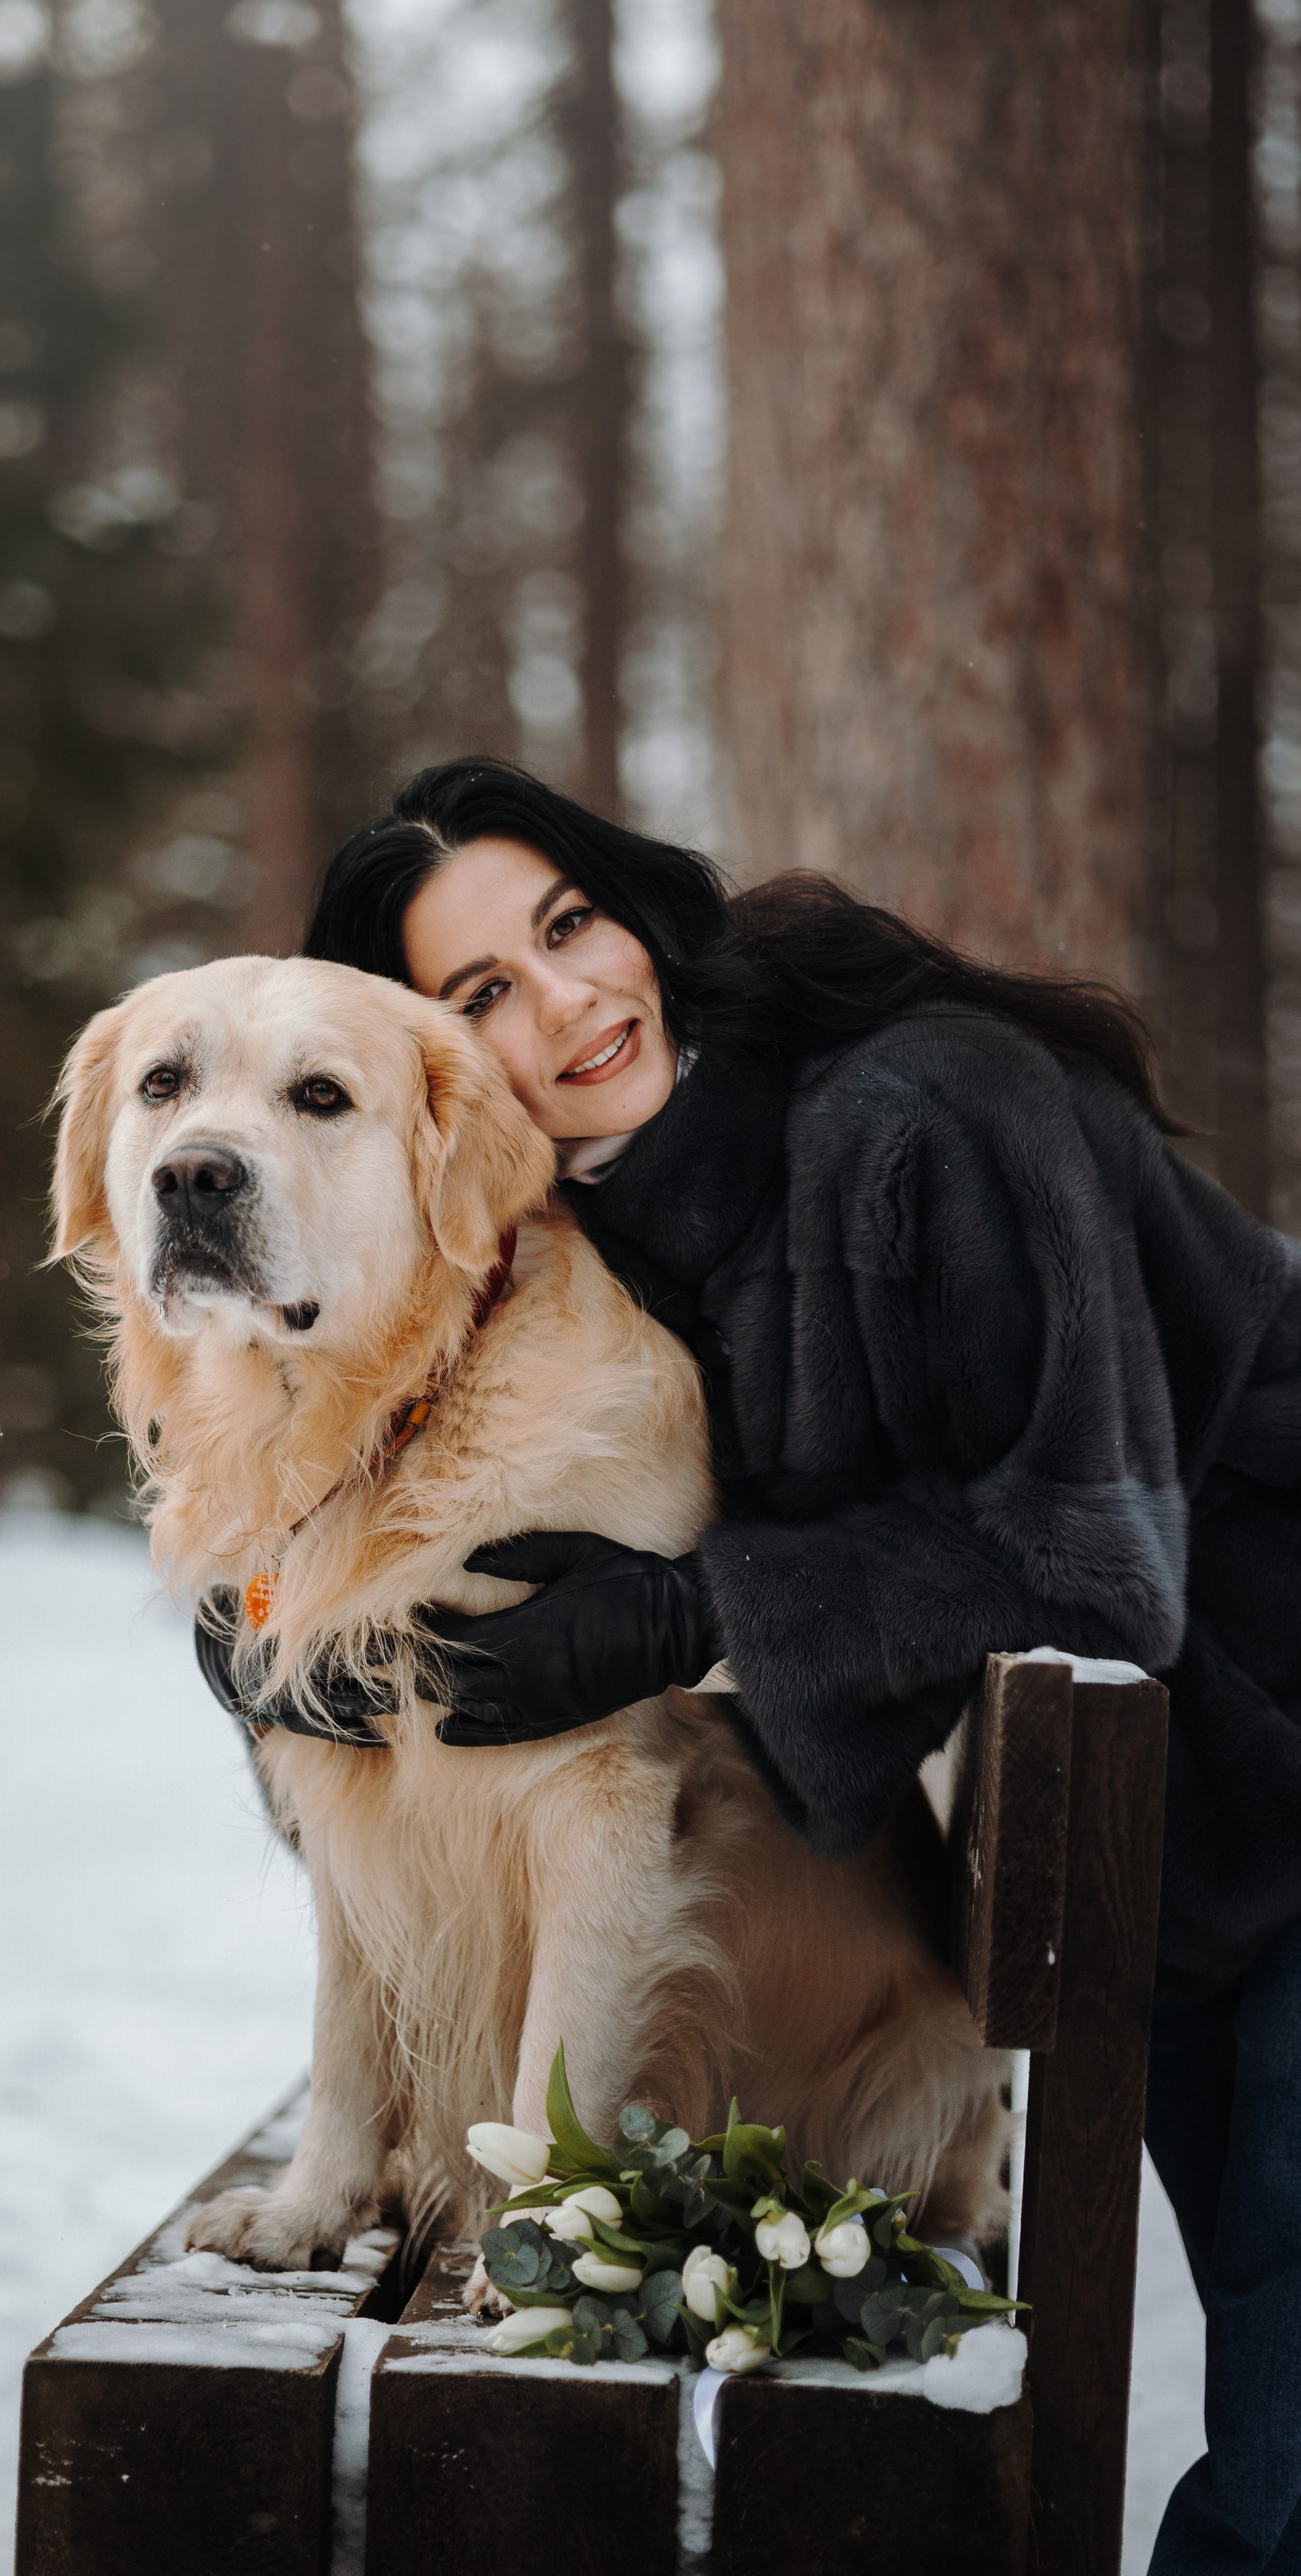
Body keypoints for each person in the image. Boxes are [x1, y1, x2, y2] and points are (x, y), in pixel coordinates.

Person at [198, 757, 1301, 2576]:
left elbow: (1091, 1575)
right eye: (484, 989)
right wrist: (284, 1636)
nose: (569, 1000)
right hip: (1172, 1829)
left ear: (636, 907)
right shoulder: (610, 1219)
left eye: (572, 925)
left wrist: (687, 1615)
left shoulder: (923, 1113)